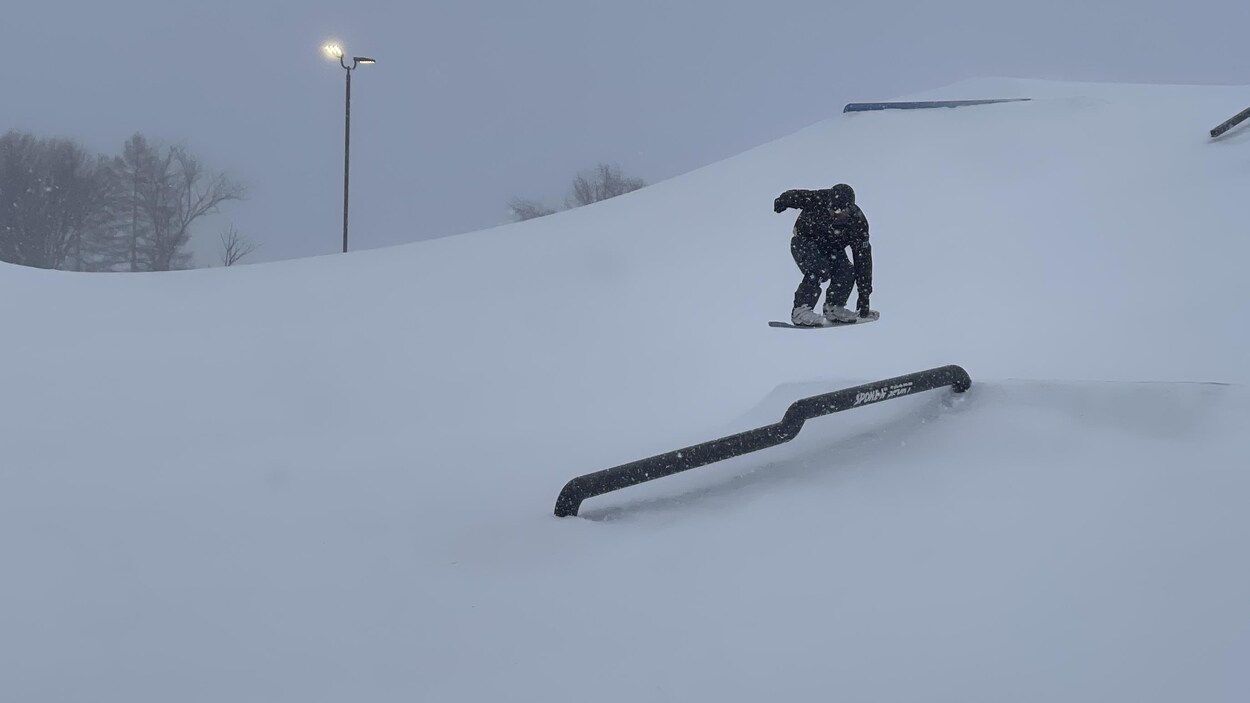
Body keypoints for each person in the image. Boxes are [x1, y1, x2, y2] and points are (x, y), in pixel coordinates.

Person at [773, 183, 876, 326]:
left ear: (850, 208)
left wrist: (864, 296)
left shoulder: (858, 223)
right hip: (804, 241)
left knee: (847, 270)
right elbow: (798, 196)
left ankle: (834, 307)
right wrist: (783, 200)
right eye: (832, 209)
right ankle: (800, 311)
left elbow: (863, 260)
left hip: (832, 249)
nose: (835, 214)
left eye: (840, 211)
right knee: (819, 269)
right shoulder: (820, 199)